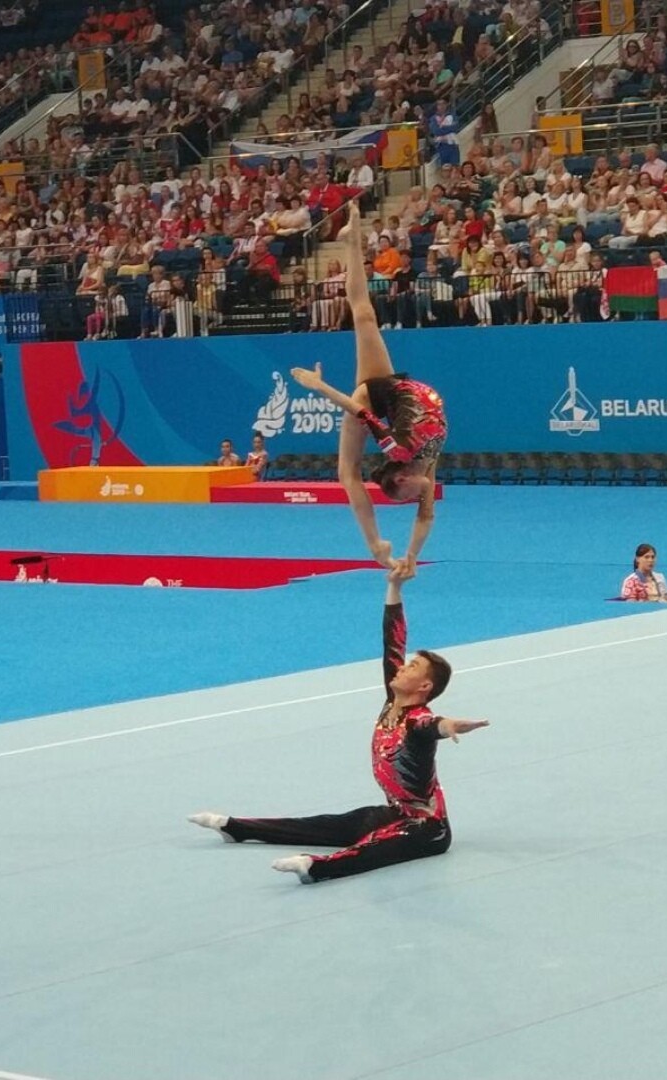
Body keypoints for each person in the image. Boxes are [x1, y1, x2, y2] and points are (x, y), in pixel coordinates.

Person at [188, 566, 488, 883]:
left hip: (427, 828)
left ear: (424, 687)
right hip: (394, 813)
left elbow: (432, 725)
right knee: (323, 825)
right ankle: (237, 828)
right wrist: (394, 588)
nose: (403, 667)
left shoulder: (417, 720)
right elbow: (393, 642)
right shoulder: (394, 700)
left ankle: (317, 867)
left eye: (413, 667)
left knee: (371, 847)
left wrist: (451, 725)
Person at [290, 204, 447, 575]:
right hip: (392, 391)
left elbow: (359, 412)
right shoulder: (427, 460)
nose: (416, 499)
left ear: (402, 477)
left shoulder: (401, 448)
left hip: (367, 401)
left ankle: (372, 543)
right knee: (364, 315)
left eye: (407, 496)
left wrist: (319, 386)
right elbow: (427, 518)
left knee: (348, 473)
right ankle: (351, 239)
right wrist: (411, 555)